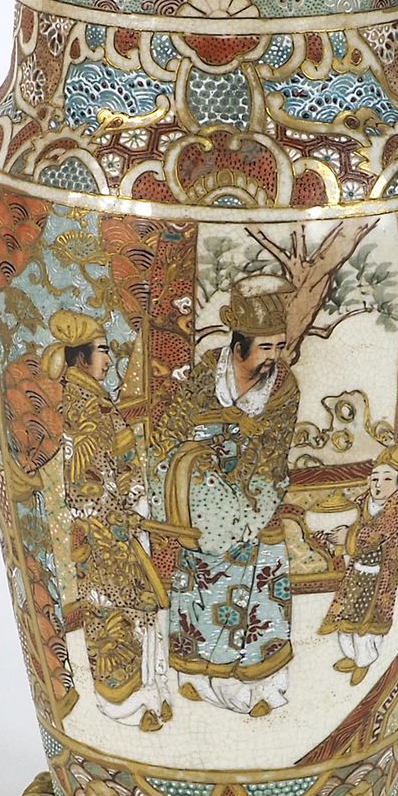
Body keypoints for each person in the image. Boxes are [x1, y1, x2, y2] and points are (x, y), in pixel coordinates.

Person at [150, 276, 299, 716]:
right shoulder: (207, 372)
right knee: (199, 576)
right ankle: (199, 675)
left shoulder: (284, 387)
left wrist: (243, 500)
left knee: (258, 574)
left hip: (255, 490)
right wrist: (190, 468)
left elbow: (273, 449)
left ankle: (259, 687)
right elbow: (174, 424)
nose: (273, 357)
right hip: (204, 493)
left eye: (279, 347)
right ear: (238, 345)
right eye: (265, 347)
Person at [45, 310, 172, 731]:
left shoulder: (94, 400)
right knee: (116, 617)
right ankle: (127, 706)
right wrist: (119, 517)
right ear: (81, 358)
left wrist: (130, 506)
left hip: (117, 526)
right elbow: (86, 484)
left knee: (136, 610)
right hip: (104, 533)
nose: (108, 358)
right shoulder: (84, 408)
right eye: (102, 350)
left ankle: (148, 697)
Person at [317, 440, 398, 686]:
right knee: (346, 617)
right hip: (357, 574)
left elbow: (376, 534)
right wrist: (332, 532)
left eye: (387, 479)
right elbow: (349, 518)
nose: (378, 485)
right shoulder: (364, 502)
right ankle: (352, 656)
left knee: (368, 625)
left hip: (378, 578)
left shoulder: (396, 507)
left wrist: (348, 536)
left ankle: (365, 661)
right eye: (375, 479)